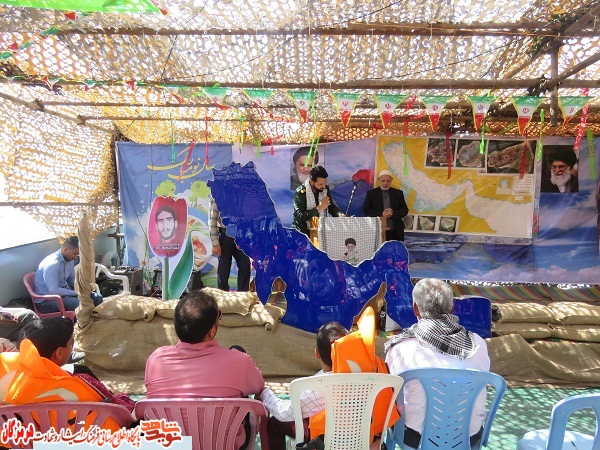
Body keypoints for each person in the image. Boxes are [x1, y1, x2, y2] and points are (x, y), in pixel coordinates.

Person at [145, 289, 265, 449]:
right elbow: (259, 386)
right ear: (212, 331)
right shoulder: (238, 361)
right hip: (225, 445)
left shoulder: (156, 360)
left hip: (170, 445)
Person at [384, 278, 490, 449]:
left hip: (416, 437)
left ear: (415, 308)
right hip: (469, 436)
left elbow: (390, 391)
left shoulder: (400, 348)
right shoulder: (478, 343)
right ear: (452, 308)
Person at [0, 317, 134, 415]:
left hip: (26, 439)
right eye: (71, 343)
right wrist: (121, 395)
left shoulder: (9, 373)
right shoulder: (83, 381)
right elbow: (124, 410)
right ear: (59, 353)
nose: (72, 346)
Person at [260, 322, 349, 450]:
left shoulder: (318, 387)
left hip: (323, 437)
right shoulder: (366, 373)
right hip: (358, 434)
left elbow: (284, 413)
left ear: (316, 354)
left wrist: (264, 393)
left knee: (275, 424)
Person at [34, 236, 103, 313]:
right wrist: (75, 293)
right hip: (47, 301)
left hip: (64, 294)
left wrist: (83, 287)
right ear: (65, 249)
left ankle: (96, 319)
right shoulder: (52, 264)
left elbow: (71, 280)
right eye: (74, 254)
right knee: (83, 305)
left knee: (97, 298)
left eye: (78, 255)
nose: (76, 257)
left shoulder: (70, 260)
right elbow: (53, 291)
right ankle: (82, 320)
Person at [208, 195, 251, 291]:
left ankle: (243, 293)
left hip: (241, 235)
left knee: (245, 264)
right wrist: (215, 243)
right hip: (225, 235)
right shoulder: (217, 195)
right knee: (224, 268)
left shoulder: (242, 194)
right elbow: (212, 221)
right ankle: (222, 293)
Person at [292, 165, 343, 236]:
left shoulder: (324, 188)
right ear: (311, 182)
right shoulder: (301, 192)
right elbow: (298, 217)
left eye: (325, 182)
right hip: (302, 234)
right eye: (320, 184)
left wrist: (340, 215)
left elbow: (330, 206)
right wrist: (318, 208)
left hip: (319, 229)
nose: (324, 186)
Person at [363, 169, 409, 241]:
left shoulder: (398, 193)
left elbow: (404, 210)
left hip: (395, 231)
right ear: (379, 180)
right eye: (383, 181)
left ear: (391, 180)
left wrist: (393, 213)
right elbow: (366, 211)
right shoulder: (371, 193)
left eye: (388, 181)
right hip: (377, 231)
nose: (385, 183)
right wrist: (381, 213)